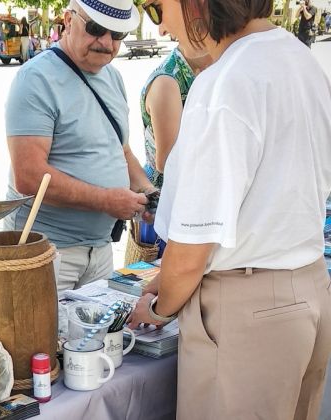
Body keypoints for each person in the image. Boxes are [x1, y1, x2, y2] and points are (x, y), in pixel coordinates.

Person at [127, 0, 331, 418]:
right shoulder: (299, 58)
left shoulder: (226, 81)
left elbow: (191, 252)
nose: (162, 26)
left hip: (248, 313)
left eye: (155, 7)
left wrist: (158, 306)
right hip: (308, 286)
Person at [5, 0, 155, 292]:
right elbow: (29, 176)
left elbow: (121, 151)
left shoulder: (113, 77)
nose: (107, 43)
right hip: (47, 252)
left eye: (117, 34)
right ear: (68, 20)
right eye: (97, 29)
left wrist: (147, 192)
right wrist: (106, 201)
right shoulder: (36, 79)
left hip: (99, 251)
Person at [133, 0, 212, 254]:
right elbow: (167, 161)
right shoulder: (168, 80)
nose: (162, 30)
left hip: (197, 205)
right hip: (169, 208)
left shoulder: (221, 67)